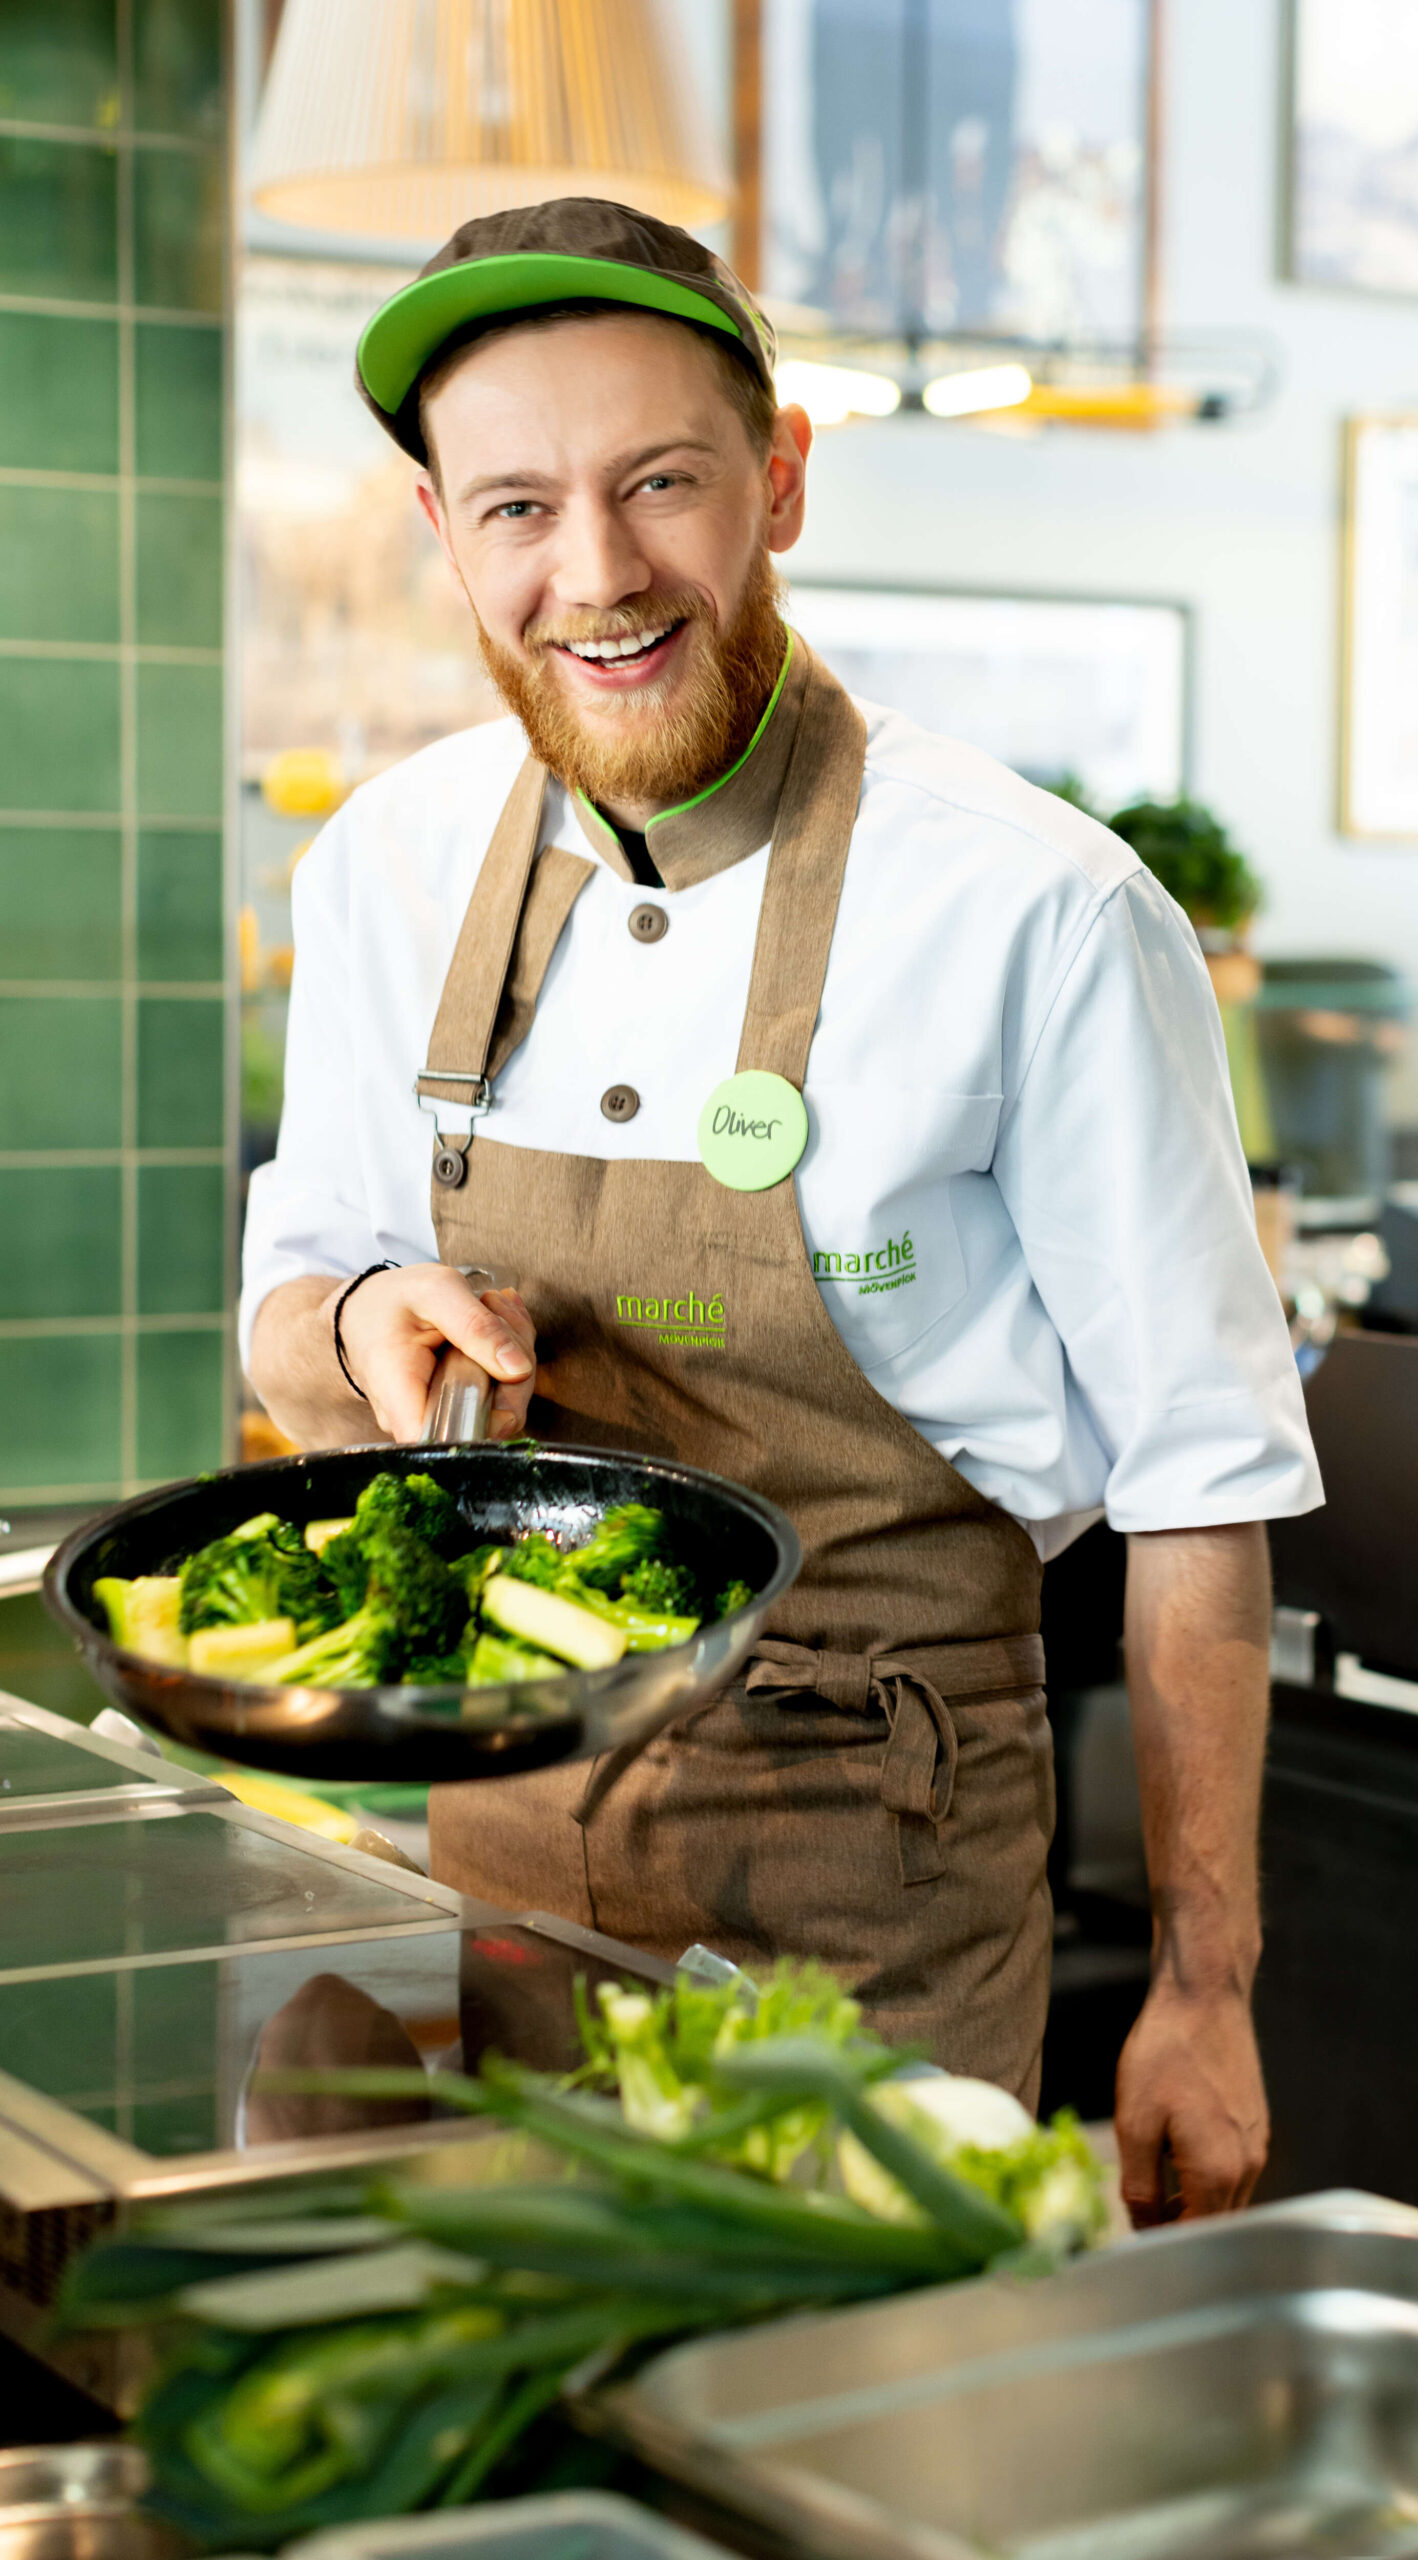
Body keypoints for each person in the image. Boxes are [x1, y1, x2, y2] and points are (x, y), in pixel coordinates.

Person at [241, 197, 1322, 2222]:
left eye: (660, 481)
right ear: (437, 532)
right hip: (499, 1867)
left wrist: (1199, 1983)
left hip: (878, 1887)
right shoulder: (382, 867)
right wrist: (370, 1305)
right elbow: (288, 1297)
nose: (595, 573)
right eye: (517, 508)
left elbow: (1199, 1490)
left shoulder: (1039, 905)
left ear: (782, 477)